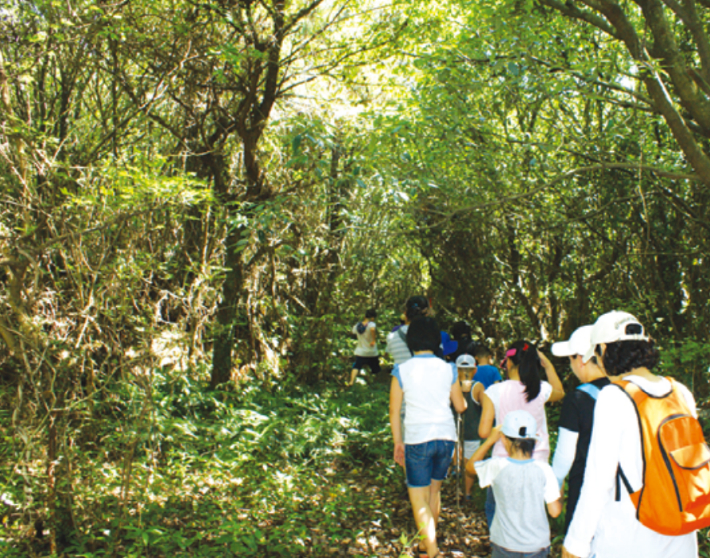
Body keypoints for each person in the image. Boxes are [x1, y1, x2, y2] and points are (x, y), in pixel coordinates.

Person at [562, 311, 699, 558]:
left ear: (603, 350)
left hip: (630, 539)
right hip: (681, 539)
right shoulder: (681, 392)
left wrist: (575, 543)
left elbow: (597, 479)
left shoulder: (614, 396)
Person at [390, 316, 467, 558]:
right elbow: (460, 406)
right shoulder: (449, 368)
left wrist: (397, 442)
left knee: (417, 497)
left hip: (417, 438)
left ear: (411, 341)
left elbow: (394, 410)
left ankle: (431, 551)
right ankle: (426, 546)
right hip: (445, 438)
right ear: (436, 341)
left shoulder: (402, 370)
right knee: (434, 492)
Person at [478, 341, 564, 526]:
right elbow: (561, 393)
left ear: (508, 363)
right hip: (537, 462)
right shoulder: (541, 389)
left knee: (499, 514)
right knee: (531, 517)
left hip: (503, 463)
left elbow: (484, 431)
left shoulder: (494, 391)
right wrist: (548, 365)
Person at [468, 410, 562, 558]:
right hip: (537, 546)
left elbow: (470, 467)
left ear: (504, 439)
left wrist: (490, 441)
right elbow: (555, 511)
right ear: (534, 441)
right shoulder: (545, 470)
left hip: (505, 544)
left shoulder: (497, 466)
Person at [549, 325, 610, 534]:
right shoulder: (625, 390)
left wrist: (555, 485)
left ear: (581, 359)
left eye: (571, 358)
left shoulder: (577, 398)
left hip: (585, 486)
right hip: (622, 490)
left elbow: (565, 453)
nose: (571, 364)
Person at [349, 309, 379, 386]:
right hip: (372, 352)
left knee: (356, 366)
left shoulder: (357, 326)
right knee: (375, 368)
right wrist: (373, 340)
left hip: (360, 351)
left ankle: (351, 381)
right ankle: (375, 383)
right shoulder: (371, 324)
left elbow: (353, 332)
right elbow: (372, 329)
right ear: (372, 317)